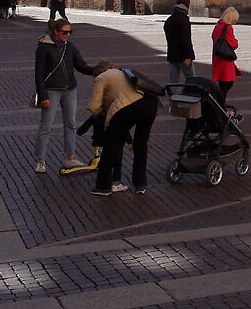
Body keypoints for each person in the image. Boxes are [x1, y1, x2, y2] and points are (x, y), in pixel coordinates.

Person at [32, 19, 98, 174]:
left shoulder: (70, 47)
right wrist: (43, 96)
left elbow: (81, 66)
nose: (68, 35)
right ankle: (40, 160)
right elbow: (39, 74)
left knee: (71, 124)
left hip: (69, 89)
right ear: (56, 32)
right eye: (65, 32)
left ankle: (70, 157)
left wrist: (99, 70)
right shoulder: (44, 48)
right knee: (46, 126)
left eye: (70, 32)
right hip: (51, 90)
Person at [86, 65, 161, 195]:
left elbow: (93, 107)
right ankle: (140, 184)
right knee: (141, 144)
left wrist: (103, 110)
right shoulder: (123, 72)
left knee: (111, 144)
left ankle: (103, 186)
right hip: (151, 102)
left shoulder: (101, 78)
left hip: (130, 106)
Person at [209, 6, 241, 106]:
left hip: (218, 57)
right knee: (227, 84)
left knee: (222, 84)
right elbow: (233, 44)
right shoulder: (227, 27)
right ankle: (219, 105)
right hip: (225, 59)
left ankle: (219, 103)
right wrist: (236, 41)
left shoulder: (217, 25)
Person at [164, 0, 196, 83]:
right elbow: (186, 39)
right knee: (191, 78)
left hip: (172, 54)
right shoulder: (184, 20)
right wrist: (189, 56)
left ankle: (171, 95)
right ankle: (193, 94)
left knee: (173, 79)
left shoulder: (169, 20)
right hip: (183, 55)